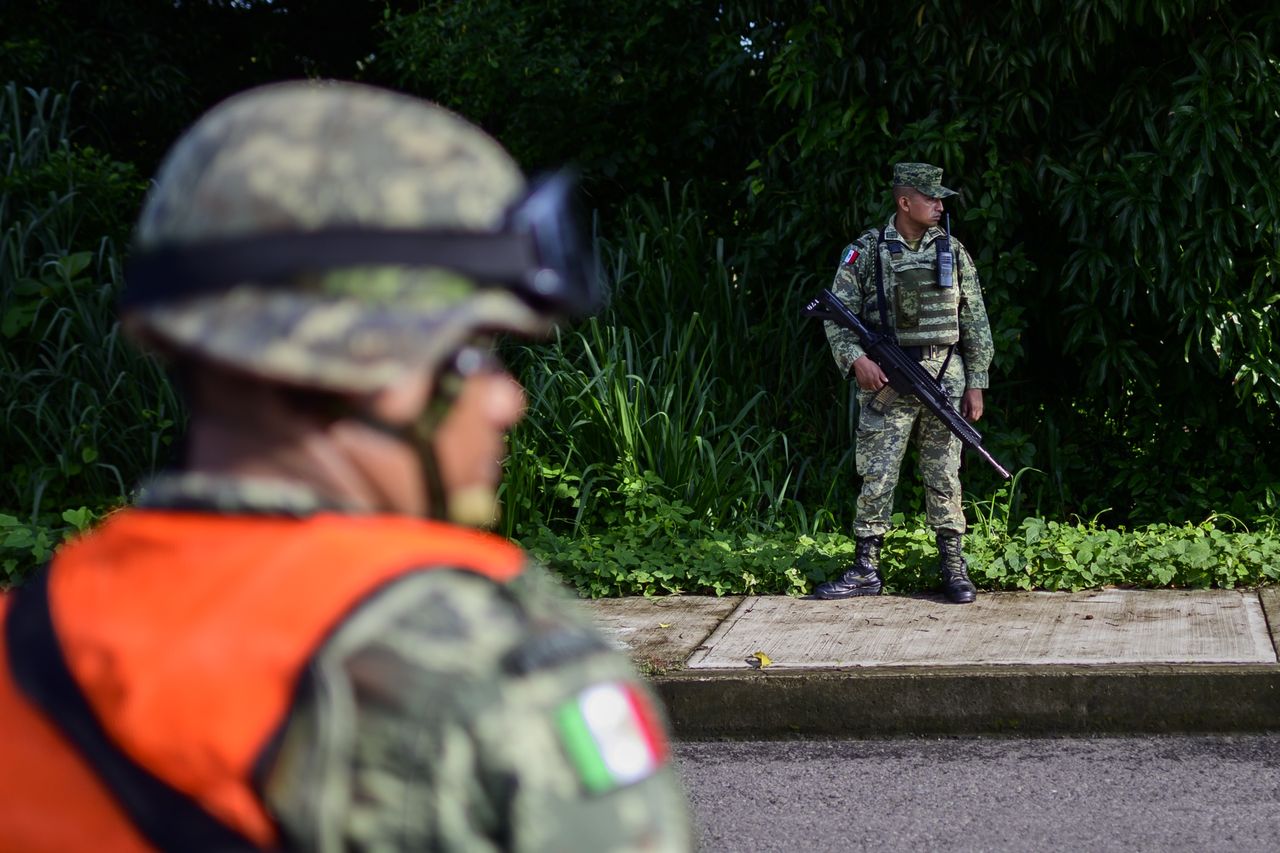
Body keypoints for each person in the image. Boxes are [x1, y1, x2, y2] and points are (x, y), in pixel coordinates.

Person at [0, 80, 692, 851]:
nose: (504, 403)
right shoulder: (489, 667)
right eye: (475, 354)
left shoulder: (25, 634)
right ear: (353, 357)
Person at [814, 162, 994, 605]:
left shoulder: (953, 250)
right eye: (931, 198)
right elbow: (836, 315)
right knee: (877, 473)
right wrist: (855, 359)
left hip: (943, 377)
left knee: (945, 475)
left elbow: (974, 321)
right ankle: (865, 570)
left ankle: (953, 568)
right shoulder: (867, 251)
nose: (939, 205)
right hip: (887, 381)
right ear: (904, 201)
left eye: (940, 199)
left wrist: (977, 382)